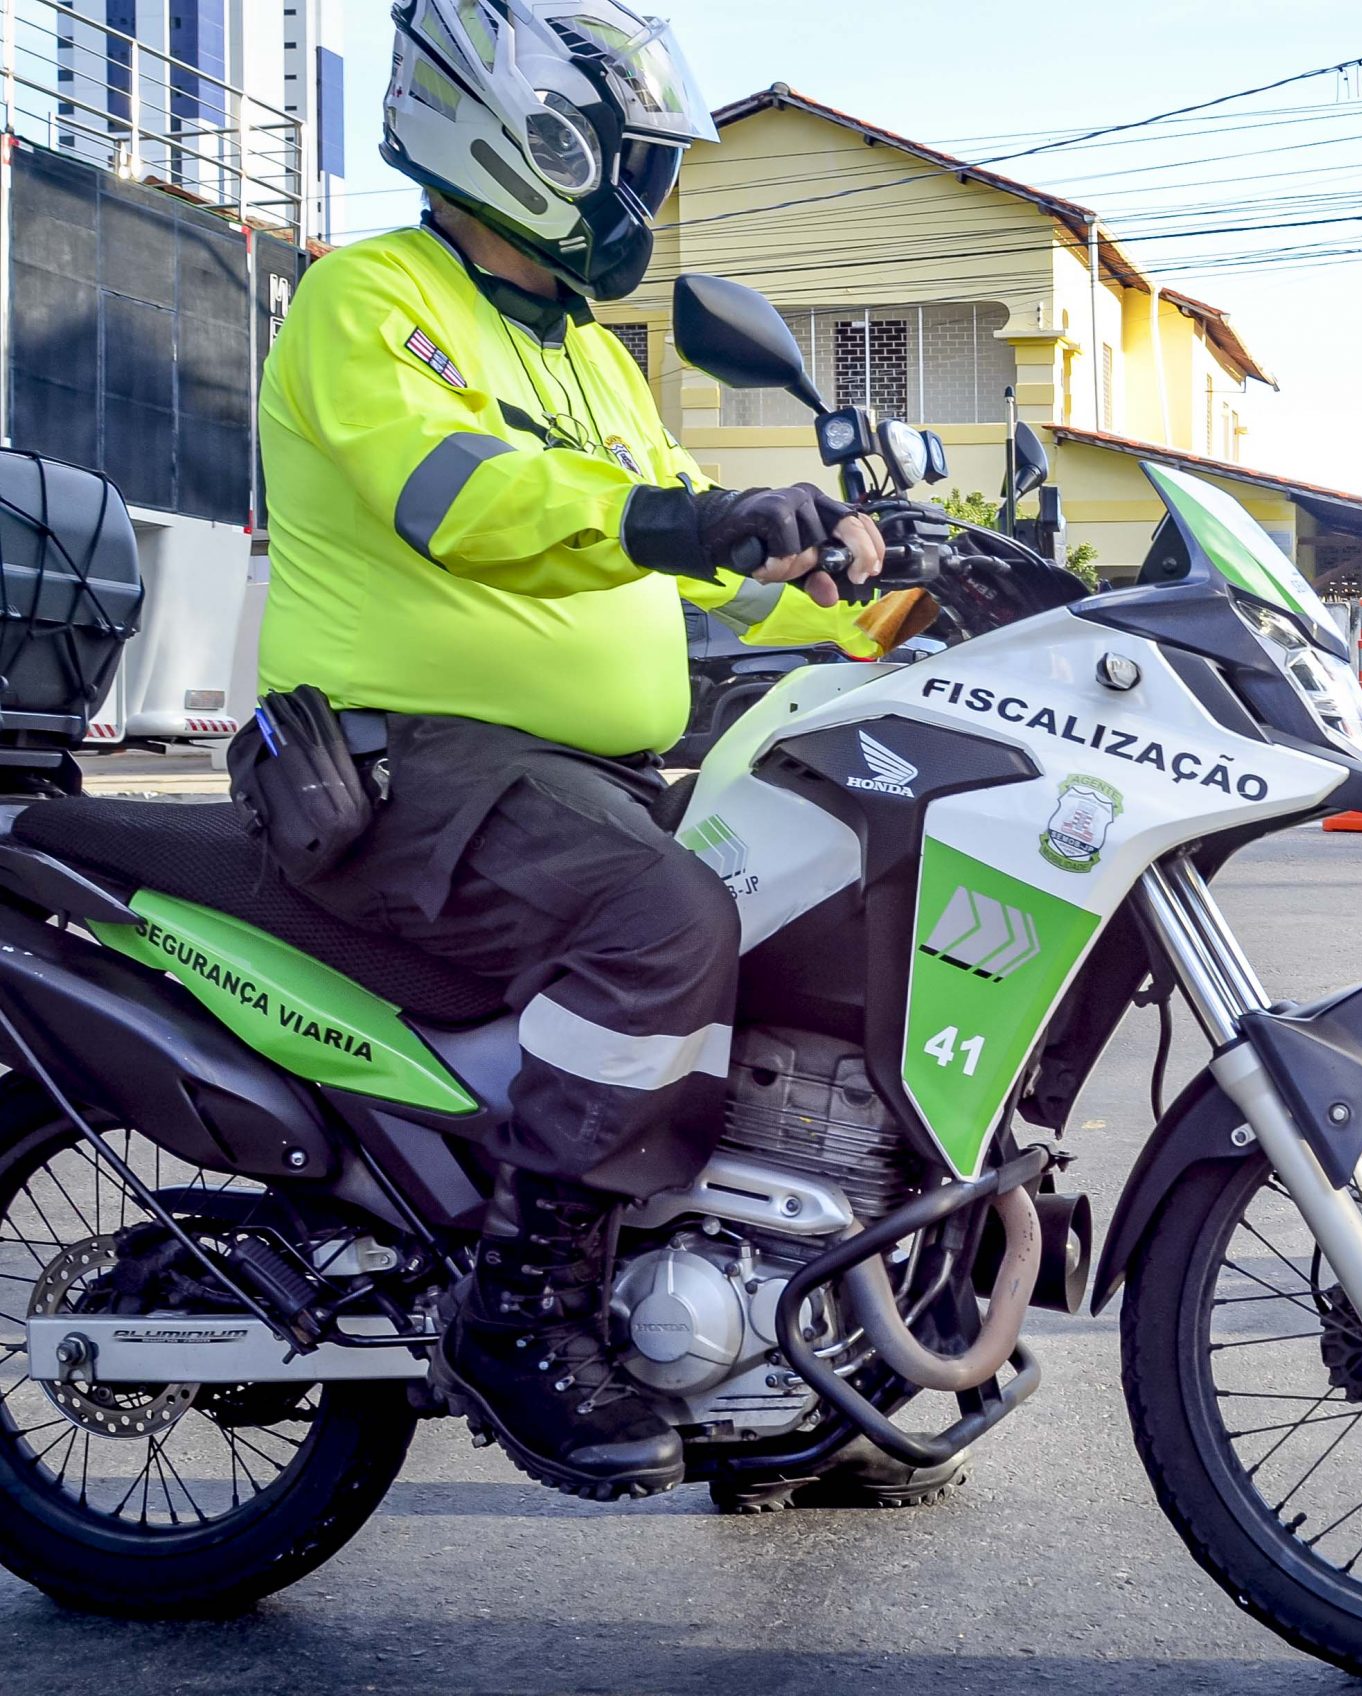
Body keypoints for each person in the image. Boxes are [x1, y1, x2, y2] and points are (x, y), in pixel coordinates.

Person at [254, 1, 904, 1500]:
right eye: (625, 163)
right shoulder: (370, 299)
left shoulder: (590, 359)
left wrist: (865, 599)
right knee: (660, 917)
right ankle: (523, 1305)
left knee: (812, 883)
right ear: (523, 140)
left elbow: (690, 553)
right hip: (409, 762)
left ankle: (794, 1366)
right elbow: (463, 496)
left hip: (567, 776)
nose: (642, 201)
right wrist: (682, 519)